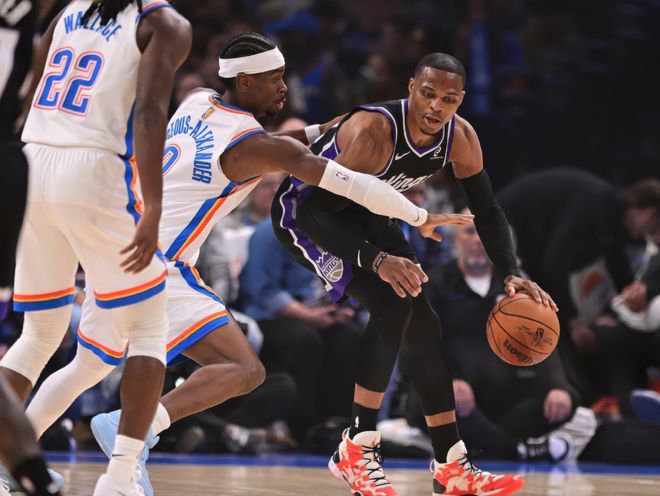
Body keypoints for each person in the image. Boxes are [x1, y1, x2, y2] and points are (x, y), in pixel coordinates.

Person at [24, 33, 468, 495]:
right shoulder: (252, 146)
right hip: (161, 266)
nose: (284, 88)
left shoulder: (198, 101)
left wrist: (321, 129)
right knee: (244, 369)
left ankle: (10, 458)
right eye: (274, 79)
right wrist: (420, 217)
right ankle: (132, 440)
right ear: (245, 81)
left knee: (88, 365)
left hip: (118, 249)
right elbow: (353, 184)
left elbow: (270, 143)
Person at [272, 52, 557, 496]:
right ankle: (355, 448)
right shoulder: (375, 131)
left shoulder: (460, 137)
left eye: (449, 99)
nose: (436, 106)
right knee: (391, 304)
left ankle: (451, 464)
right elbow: (316, 213)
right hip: (306, 215)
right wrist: (377, 260)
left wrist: (511, 272)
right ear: (410, 88)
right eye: (428, 94)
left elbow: (486, 209)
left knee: (423, 323)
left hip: (368, 214)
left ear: (461, 100)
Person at [0, 0, 192, 494]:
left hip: (32, 158)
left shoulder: (69, 10)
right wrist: (153, 207)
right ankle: (121, 476)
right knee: (148, 328)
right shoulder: (164, 23)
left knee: (39, 333)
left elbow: (26, 91)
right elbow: (149, 112)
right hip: (93, 169)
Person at [418, 217, 596, 463]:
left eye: (486, 233)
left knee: (568, 401)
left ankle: (485, 445)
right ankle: (521, 450)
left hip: (507, 396)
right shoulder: (435, 284)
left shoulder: (519, 287)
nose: (478, 240)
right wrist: (451, 380)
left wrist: (558, 385)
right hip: (457, 393)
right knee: (433, 399)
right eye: (469, 232)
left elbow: (542, 339)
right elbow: (422, 345)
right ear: (456, 239)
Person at [240, 218, 363, 441]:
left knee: (351, 338)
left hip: (318, 312)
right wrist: (308, 316)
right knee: (304, 340)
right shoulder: (269, 232)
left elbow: (346, 280)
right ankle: (301, 425)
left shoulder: (335, 230)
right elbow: (263, 291)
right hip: (270, 316)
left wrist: (344, 307)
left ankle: (337, 424)